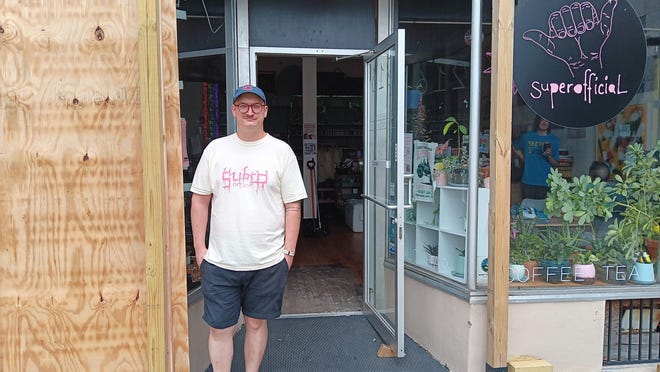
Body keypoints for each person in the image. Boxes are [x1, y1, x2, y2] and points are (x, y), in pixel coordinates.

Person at [190, 84, 308, 372]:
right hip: (220, 261)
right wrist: (200, 250)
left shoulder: (281, 152)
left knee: (256, 323)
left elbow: (293, 206)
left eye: (256, 106)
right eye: (243, 105)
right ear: (234, 111)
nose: (249, 111)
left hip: (267, 261)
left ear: (265, 111)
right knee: (221, 328)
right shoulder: (216, 150)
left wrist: (288, 254)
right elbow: (199, 201)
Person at [513, 115, 560, 200]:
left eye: (547, 121)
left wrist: (549, 155)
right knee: (527, 211)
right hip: (528, 181)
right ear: (537, 122)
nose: (544, 122)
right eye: (542, 120)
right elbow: (515, 147)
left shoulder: (554, 140)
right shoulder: (527, 137)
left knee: (543, 212)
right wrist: (524, 159)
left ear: (550, 123)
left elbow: (555, 164)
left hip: (546, 182)